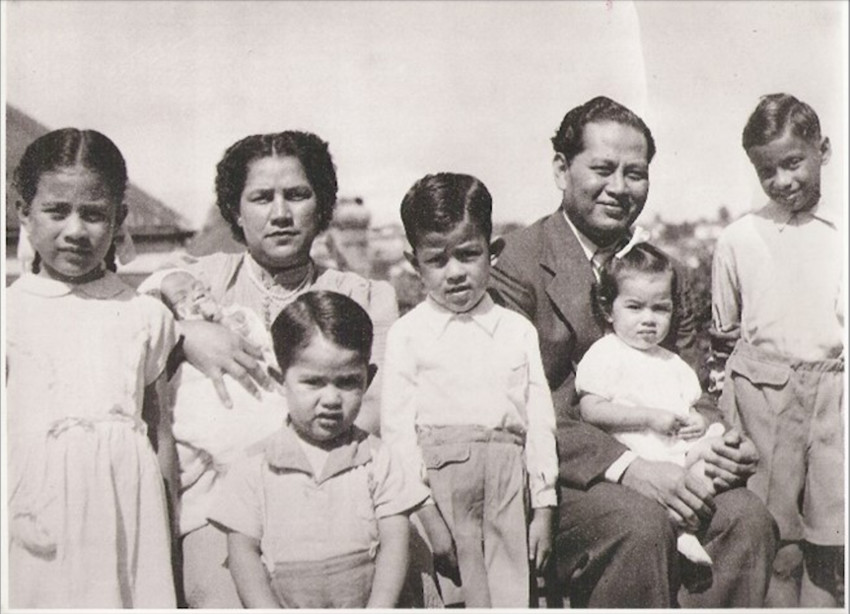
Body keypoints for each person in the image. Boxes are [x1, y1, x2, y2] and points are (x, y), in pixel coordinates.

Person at [489, 95, 778, 608]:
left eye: (635, 173)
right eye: (602, 169)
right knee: (639, 524)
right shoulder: (517, 264)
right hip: (565, 479)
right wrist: (626, 466)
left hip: (671, 460)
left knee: (748, 518)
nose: (619, 188)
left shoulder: (667, 272)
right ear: (561, 169)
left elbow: (690, 387)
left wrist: (717, 442)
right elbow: (515, 407)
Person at [158, 130, 399, 607]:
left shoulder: (362, 295)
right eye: (261, 198)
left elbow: (372, 414)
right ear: (236, 210)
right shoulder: (204, 282)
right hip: (220, 510)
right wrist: (187, 332)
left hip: (336, 495)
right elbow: (136, 319)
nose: (281, 213)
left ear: (322, 204)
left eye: (297, 195)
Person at [6, 128, 178, 607]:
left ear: (120, 218)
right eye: (57, 211)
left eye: (94, 214)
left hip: (127, 518)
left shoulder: (145, 316)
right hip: (32, 513)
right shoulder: (10, 314)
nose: (76, 231)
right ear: (23, 211)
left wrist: (172, 542)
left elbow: (159, 433)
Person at [381, 173, 559, 607]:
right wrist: (425, 514)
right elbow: (397, 433)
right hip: (439, 493)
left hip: (507, 485)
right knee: (450, 597)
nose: (456, 272)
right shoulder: (407, 334)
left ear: (492, 253)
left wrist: (545, 507)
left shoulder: (516, 330)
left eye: (468, 255)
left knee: (511, 596)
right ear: (414, 263)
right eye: (437, 261)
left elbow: (539, 419)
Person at [208, 290, 428, 607]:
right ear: (280, 380)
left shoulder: (379, 460)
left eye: (348, 382)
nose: (331, 400)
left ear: (368, 379)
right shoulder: (255, 466)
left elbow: (395, 543)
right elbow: (242, 552)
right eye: (313, 382)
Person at [712, 93, 844, 607]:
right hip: (763, 400)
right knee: (779, 547)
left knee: (831, 553)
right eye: (768, 171)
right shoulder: (739, 238)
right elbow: (723, 334)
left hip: (834, 402)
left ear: (822, 150)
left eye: (793, 162)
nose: (782, 181)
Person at [575, 240, 727, 567]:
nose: (649, 319)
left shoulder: (672, 362)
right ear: (608, 309)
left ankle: (684, 522)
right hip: (639, 455)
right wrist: (647, 418)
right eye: (635, 307)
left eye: (660, 309)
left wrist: (699, 422)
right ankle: (682, 529)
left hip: (677, 453)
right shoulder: (606, 353)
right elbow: (592, 409)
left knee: (717, 447)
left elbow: (693, 404)